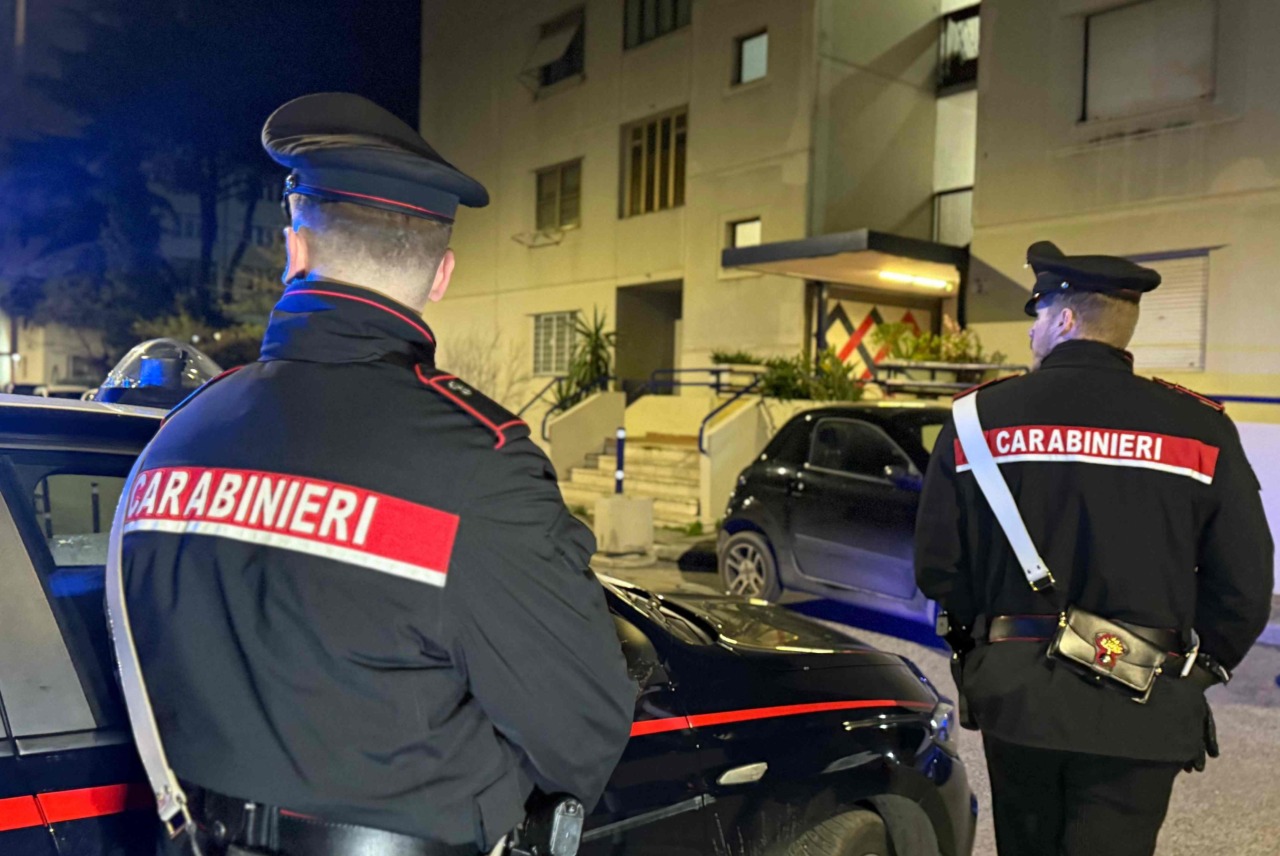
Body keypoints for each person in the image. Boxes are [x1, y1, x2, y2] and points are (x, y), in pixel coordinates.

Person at [115, 93, 635, 856]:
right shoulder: (478, 468)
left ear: (295, 250)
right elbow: (582, 728)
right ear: (441, 276)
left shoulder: (178, 436)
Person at [915, 240, 1274, 856]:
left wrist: (987, 656)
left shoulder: (980, 421)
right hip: (1144, 704)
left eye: (1036, 317)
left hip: (1019, 697)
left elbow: (939, 566)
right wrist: (1197, 675)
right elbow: (1244, 582)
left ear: (1065, 318)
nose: (1032, 333)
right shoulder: (1201, 430)